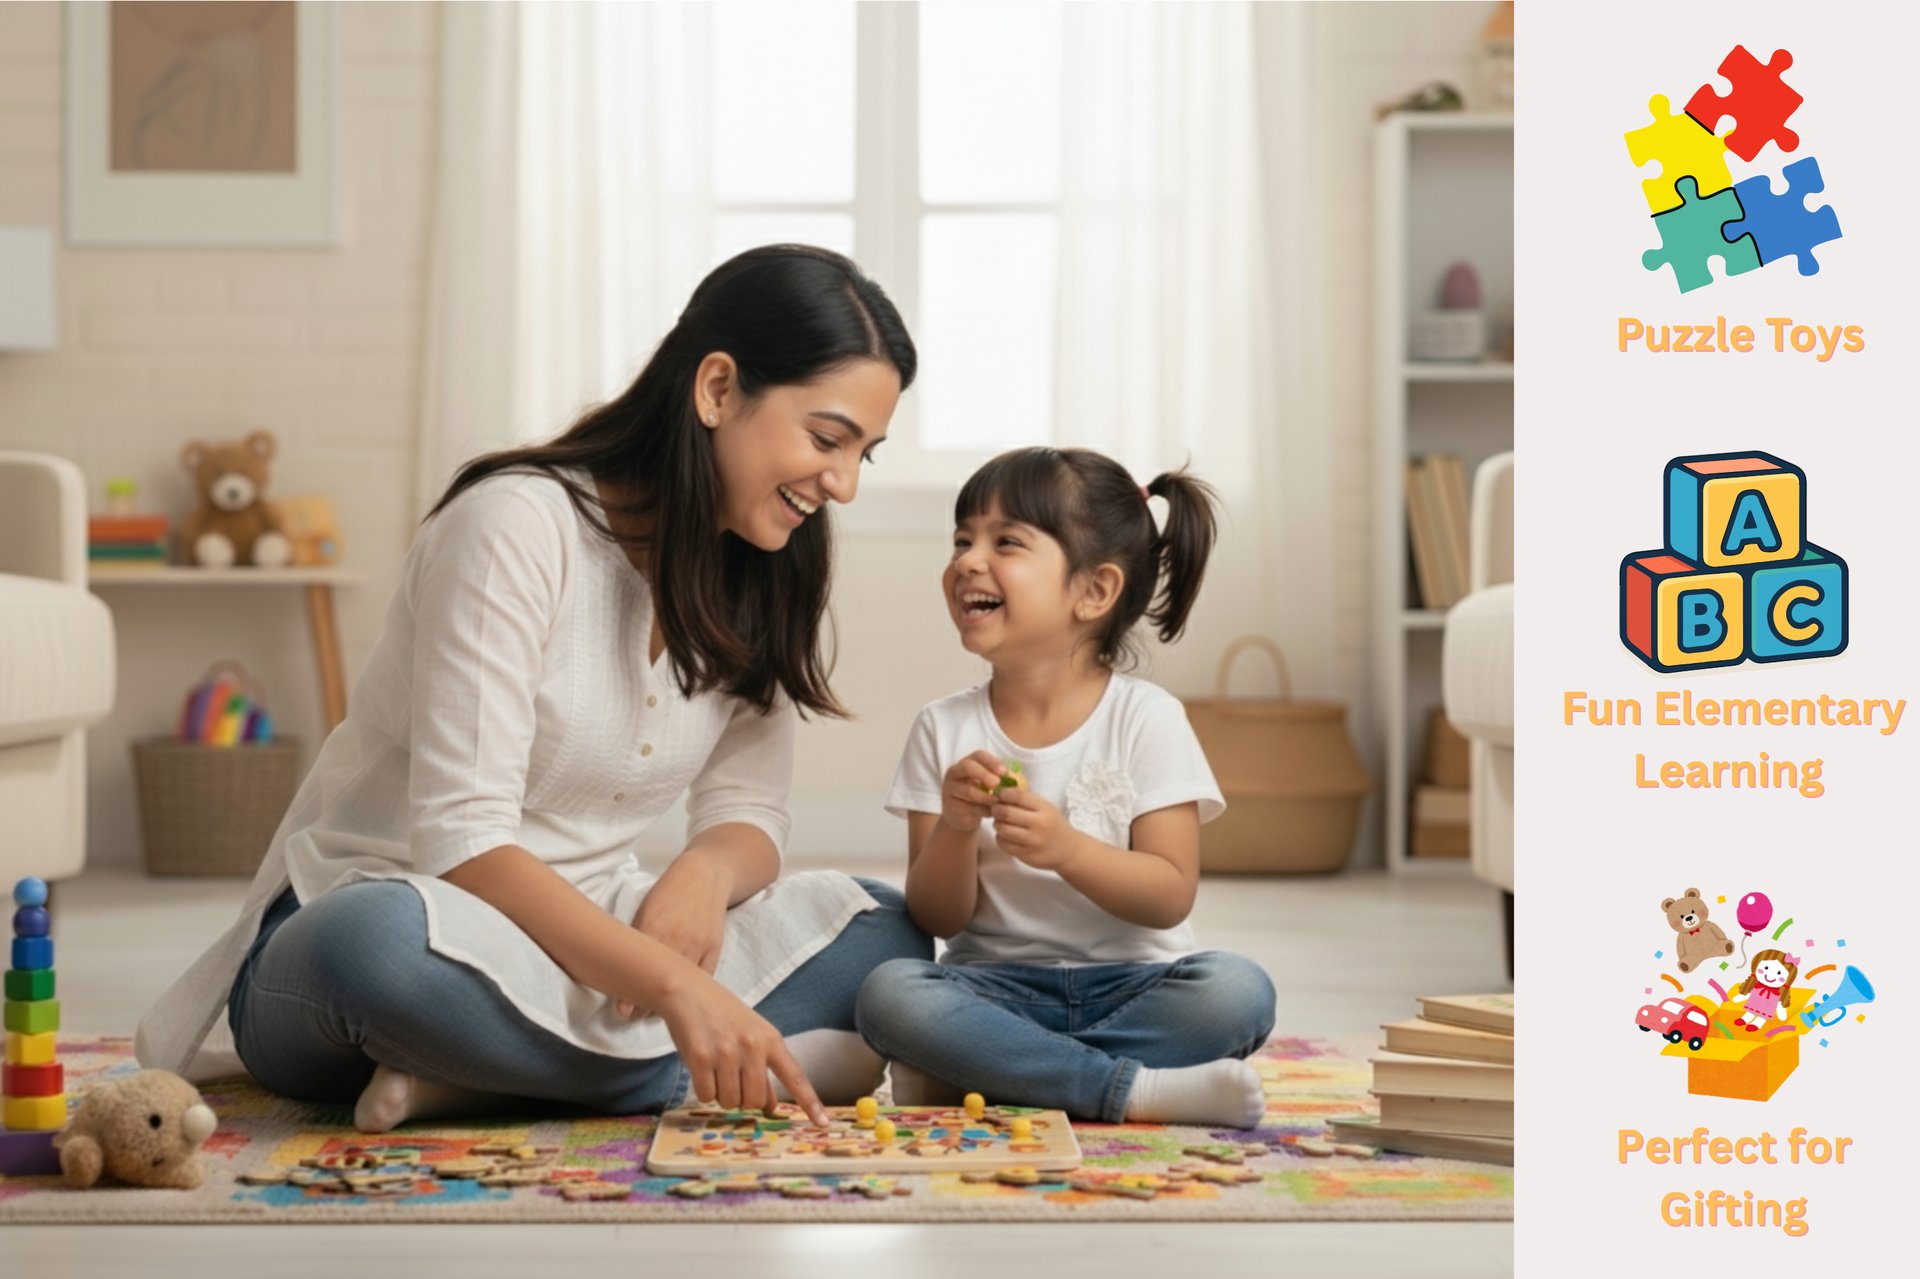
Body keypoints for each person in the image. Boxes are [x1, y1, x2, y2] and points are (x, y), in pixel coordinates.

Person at [136, 245, 931, 1132]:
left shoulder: (765, 566)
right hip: (409, 915)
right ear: (716, 389)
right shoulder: (514, 524)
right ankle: (659, 1071)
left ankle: (480, 1080)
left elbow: (748, 811)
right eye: (826, 439)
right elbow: (463, 840)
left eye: (864, 454)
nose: (843, 485)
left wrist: (705, 872)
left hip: (597, 936)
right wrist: (673, 984)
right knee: (369, 947)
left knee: (887, 930)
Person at [856, 447, 1277, 1128]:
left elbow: (1169, 895)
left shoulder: (1148, 718)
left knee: (1237, 991)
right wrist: (957, 827)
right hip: (992, 989)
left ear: (1095, 591)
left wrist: (1067, 849)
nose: (968, 560)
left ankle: (989, 1068)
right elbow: (937, 918)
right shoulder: (942, 727)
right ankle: (1131, 1089)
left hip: (1135, 986)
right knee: (890, 992)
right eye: (962, 540)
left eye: (1006, 542)